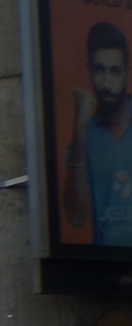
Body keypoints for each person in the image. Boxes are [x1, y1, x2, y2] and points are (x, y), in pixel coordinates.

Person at [65, 21, 132, 246]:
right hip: (109, 269)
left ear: (127, 73)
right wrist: (80, 129)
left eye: (115, 71)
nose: (106, 84)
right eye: (99, 70)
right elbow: (76, 217)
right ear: (89, 70)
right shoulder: (86, 134)